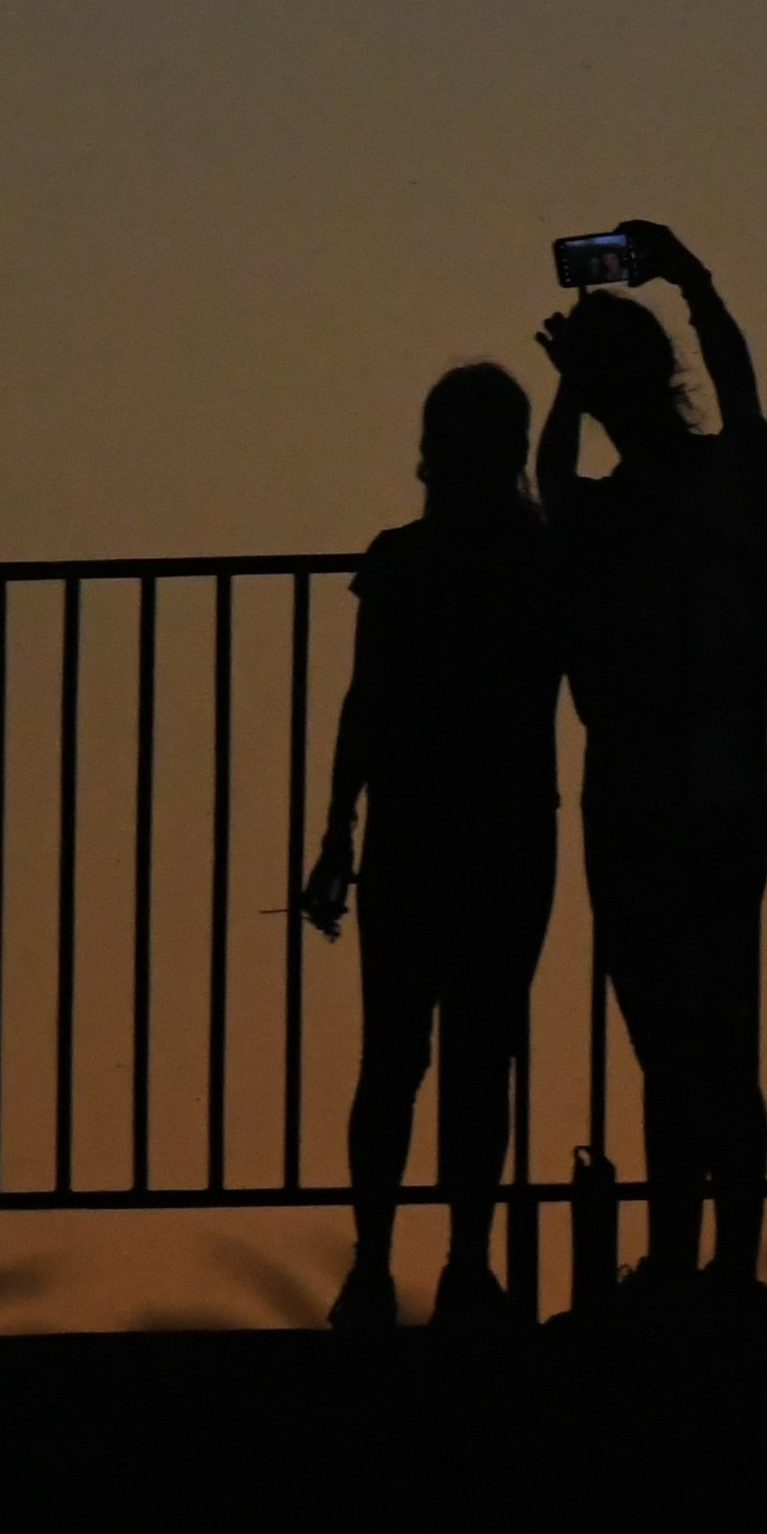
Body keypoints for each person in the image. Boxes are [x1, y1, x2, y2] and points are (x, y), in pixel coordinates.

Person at [536, 220, 767, 1322]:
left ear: (601, 399)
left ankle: (678, 1255)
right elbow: (738, 390)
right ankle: (728, 1259)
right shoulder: (734, 479)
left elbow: (551, 480)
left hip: (633, 802)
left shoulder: (599, 512)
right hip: (725, 793)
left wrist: (568, 391)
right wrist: (692, 278)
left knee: (662, 1044)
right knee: (724, 1032)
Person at [301, 363, 561, 1332]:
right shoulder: (541, 560)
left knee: (393, 1054)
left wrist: (339, 828)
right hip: (507, 829)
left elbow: (364, 703)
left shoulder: (404, 560)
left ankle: (373, 1262)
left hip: (415, 829)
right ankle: (466, 1263)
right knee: (478, 1052)